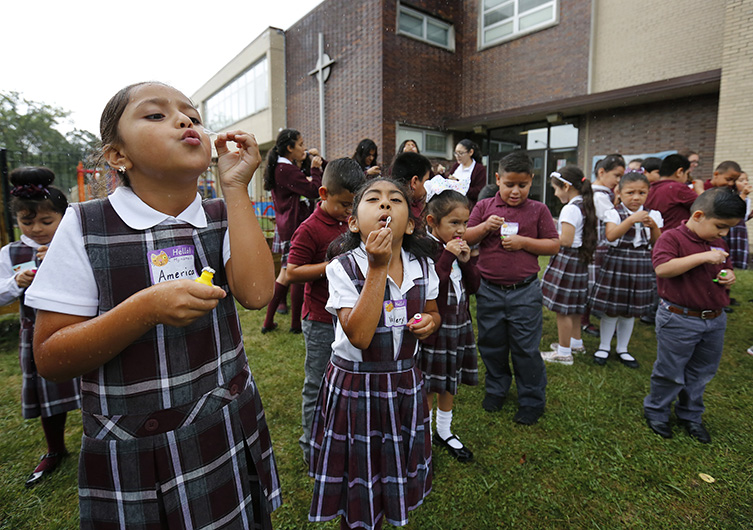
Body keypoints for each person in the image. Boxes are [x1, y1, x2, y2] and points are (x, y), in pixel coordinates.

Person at [27, 82, 281, 528]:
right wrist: (143, 309)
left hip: (224, 426)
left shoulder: (223, 213)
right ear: (118, 156)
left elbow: (258, 293)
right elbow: (50, 356)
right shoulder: (84, 226)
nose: (185, 121)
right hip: (137, 450)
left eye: (192, 115)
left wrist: (237, 187)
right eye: (156, 115)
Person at [308, 178, 439, 529]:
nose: (385, 206)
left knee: (391, 463)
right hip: (357, 386)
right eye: (374, 200)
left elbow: (433, 310)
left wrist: (430, 321)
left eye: (396, 200)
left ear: (410, 223)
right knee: (359, 469)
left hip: (403, 383)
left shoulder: (423, 267)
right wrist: (377, 267)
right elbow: (360, 336)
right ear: (353, 222)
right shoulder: (343, 268)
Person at [464, 151, 560, 425]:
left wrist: (523, 242)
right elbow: (467, 237)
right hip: (489, 289)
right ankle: (497, 388)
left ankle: (531, 398)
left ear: (531, 181)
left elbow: (553, 245)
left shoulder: (538, 210)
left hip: (524, 291)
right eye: (509, 185)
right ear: (498, 179)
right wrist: (484, 227)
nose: (515, 191)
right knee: (491, 343)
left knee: (525, 347)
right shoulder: (484, 207)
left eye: (522, 185)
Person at [644, 187, 746, 443]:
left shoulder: (718, 243)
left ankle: (690, 415)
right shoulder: (671, 238)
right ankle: (657, 411)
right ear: (698, 215)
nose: (724, 234)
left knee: (702, 371)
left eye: (728, 229)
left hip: (714, 319)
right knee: (670, 369)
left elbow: (725, 268)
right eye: (720, 226)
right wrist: (702, 256)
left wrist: (728, 276)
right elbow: (663, 268)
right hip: (679, 318)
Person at [0, 166, 81, 487]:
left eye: (46, 221)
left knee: (90, 384)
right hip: (36, 332)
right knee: (48, 391)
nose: (36, 229)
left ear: (63, 218)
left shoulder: (73, 245)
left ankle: (97, 439)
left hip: (80, 325)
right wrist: (15, 282)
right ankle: (55, 447)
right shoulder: (12, 253)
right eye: (26, 221)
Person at [286, 158, 365, 465]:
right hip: (320, 319)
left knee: (348, 384)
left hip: (351, 319)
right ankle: (312, 448)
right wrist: (333, 266)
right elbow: (292, 272)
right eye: (344, 205)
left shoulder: (354, 223)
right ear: (323, 194)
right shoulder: (309, 229)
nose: (349, 212)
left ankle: (341, 441)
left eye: (353, 206)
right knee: (317, 384)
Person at [419, 189, 479, 462]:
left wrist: (466, 262)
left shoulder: (457, 248)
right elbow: (429, 287)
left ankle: (444, 431)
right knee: (430, 384)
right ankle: (423, 438)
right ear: (432, 221)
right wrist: (448, 256)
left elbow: (475, 285)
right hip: (436, 329)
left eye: (465, 223)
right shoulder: (424, 249)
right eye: (454, 223)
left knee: (449, 380)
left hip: (459, 324)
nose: (461, 230)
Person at [589, 171, 663, 368]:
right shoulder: (614, 213)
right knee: (612, 309)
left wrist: (653, 225)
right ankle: (604, 346)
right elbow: (611, 236)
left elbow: (657, 242)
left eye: (642, 192)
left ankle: (623, 348)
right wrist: (631, 220)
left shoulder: (653, 214)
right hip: (618, 261)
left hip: (640, 263)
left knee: (630, 310)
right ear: (619, 193)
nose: (636, 197)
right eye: (630, 192)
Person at [262, 128, 324, 334]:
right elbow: (313, 190)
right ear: (289, 148)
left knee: (286, 274)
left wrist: (309, 161)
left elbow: (303, 185)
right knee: (295, 274)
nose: (304, 147)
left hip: (288, 225)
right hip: (294, 226)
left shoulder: (284, 167)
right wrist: (315, 169)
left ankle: (269, 322)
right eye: (300, 144)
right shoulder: (285, 169)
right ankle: (295, 324)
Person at [540, 166, 597, 365]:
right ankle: (576, 343)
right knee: (573, 306)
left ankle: (563, 352)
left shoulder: (570, 208)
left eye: (556, 189)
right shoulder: (584, 205)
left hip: (568, 260)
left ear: (566, 186)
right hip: (578, 260)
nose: (555, 193)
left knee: (562, 309)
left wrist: (548, 233)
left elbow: (566, 240)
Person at [582, 154, 625, 336]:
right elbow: (612, 219)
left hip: (602, 247)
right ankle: (584, 321)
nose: (619, 180)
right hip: (598, 247)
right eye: (616, 175)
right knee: (590, 285)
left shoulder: (604, 194)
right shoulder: (599, 195)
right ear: (601, 172)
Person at [644, 154, 694, 231]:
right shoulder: (678, 188)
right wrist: (700, 189)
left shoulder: (650, 188)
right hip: (675, 237)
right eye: (687, 174)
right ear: (679, 172)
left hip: (654, 235)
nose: (687, 178)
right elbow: (707, 206)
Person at [437, 139, 487, 205]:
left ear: (471, 152)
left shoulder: (479, 169)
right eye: (456, 153)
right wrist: (442, 173)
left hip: (468, 206)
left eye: (461, 153)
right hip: (451, 203)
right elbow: (448, 180)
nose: (457, 156)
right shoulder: (456, 165)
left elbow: (478, 191)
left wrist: (459, 184)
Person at [389, 151, 432, 223]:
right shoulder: (413, 216)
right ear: (414, 182)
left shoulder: (387, 205)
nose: (428, 187)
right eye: (426, 181)